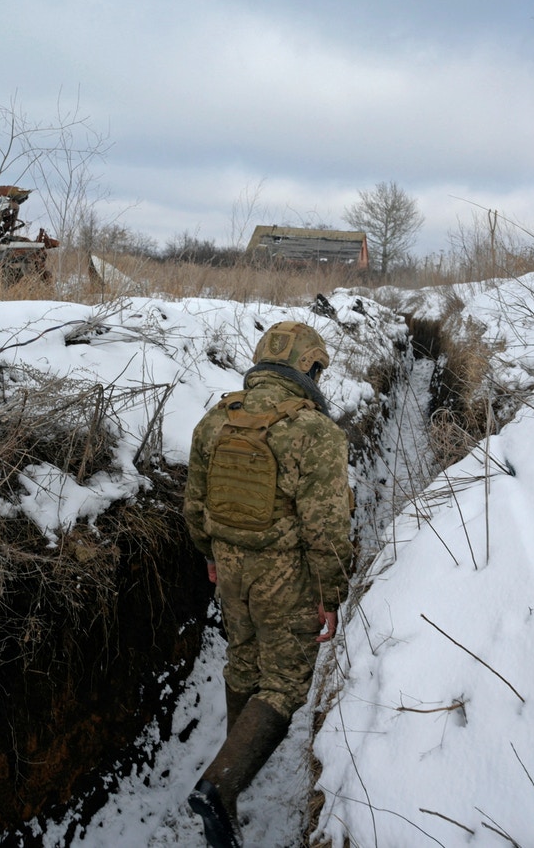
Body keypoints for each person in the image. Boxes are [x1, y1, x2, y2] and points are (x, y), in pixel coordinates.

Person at [183, 320, 352, 848]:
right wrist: (331, 594)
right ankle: (220, 787)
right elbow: (326, 527)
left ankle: (231, 784)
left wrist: (211, 555)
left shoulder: (217, 419)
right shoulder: (315, 432)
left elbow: (193, 504)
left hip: (230, 569)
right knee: (283, 684)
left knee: (244, 662)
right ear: (310, 368)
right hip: (287, 579)